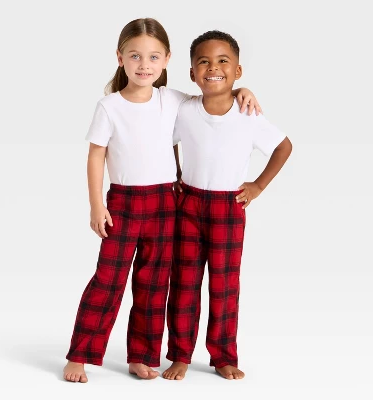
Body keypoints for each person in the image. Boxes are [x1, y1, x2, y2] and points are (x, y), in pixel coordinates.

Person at [63, 19, 261, 383]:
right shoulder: (109, 106)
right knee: (108, 279)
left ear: (167, 59)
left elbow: (213, 92)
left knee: (154, 284)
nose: (144, 65)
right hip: (123, 204)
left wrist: (241, 89)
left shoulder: (172, 100)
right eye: (135, 56)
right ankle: (80, 355)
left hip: (166, 203)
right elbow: (96, 155)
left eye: (154, 57)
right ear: (120, 58)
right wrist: (96, 204)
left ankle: (142, 355)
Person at [163, 30, 292, 381]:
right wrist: (175, 173)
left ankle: (223, 355)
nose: (213, 68)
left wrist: (258, 185)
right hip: (188, 204)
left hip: (228, 208)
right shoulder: (184, 110)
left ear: (238, 71)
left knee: (224, 285)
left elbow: (283, 146)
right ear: (192, 73)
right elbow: (165, 138)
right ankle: (180, 354)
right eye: (203, 62)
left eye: (223, 61)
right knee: (184, 283)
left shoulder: (248, 113)